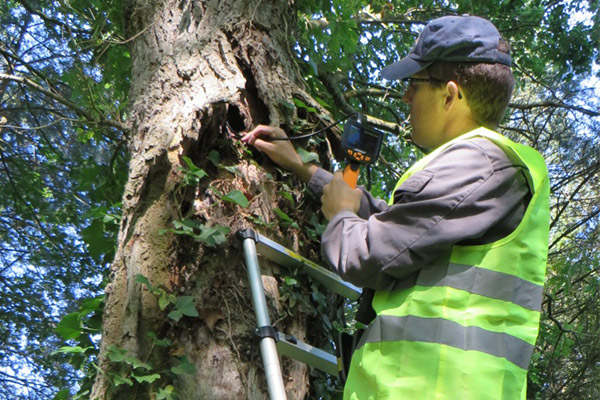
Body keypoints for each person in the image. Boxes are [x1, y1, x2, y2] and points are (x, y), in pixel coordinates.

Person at [242, 15, 549, 400]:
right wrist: (306, 169)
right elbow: (406, 229)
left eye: (413, 84)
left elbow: (366, 254)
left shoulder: (479, 163)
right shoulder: (490, 170)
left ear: (450, 95)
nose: (405, 97)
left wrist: (340, 216)